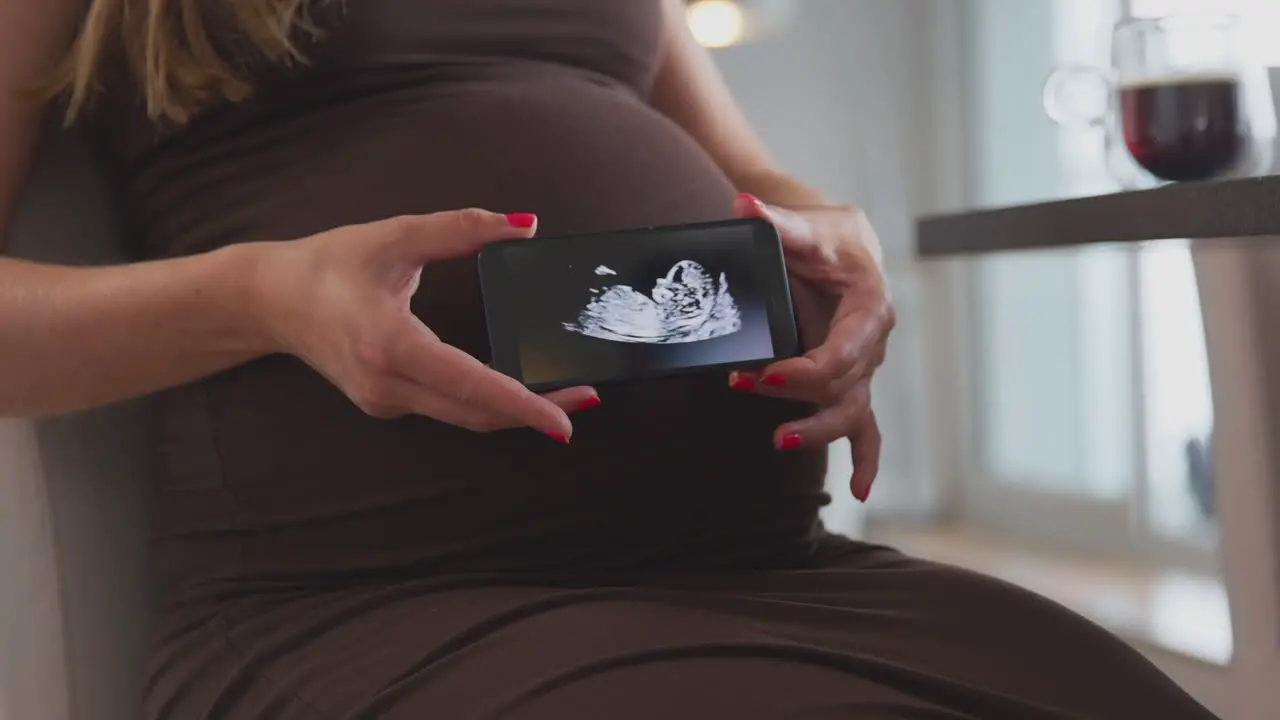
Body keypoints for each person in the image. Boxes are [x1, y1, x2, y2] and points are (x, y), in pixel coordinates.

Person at [0, 1, 1218, 718]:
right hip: (365, 603)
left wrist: (836, 251)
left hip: (755, 570)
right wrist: (264, 295)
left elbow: (757, 174)